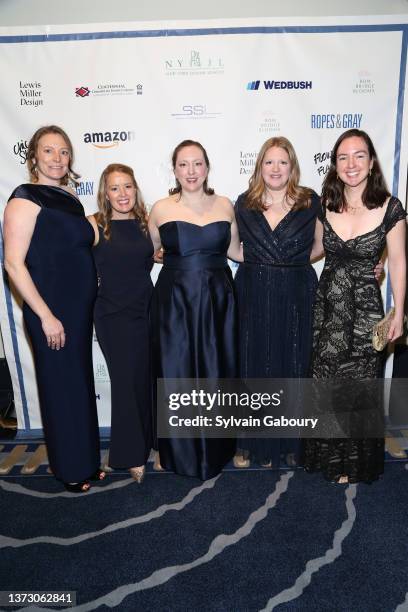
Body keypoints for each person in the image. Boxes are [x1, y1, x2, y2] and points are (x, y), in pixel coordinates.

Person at [302, 128, 406, 484]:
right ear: (334, 164)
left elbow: (399, 263)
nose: (351, 164)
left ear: (371, 161)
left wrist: (399, 312)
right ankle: (332, 460)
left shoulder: (391, 208)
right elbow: (317, 249)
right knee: (328, 383)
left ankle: (355, 463)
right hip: (328, 306)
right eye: (343, 157)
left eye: (359, 155)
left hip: (365, 309)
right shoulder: (325, 202)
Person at [4, 125, 104, 492]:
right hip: (49, 308)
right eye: (49, 151)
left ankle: (87, 461)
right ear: (34, 156)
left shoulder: (70, 198)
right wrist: (45, 315)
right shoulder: (24, 198)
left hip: (77, 308)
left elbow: (82, 244)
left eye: (64, 152)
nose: (57, 158)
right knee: (60, 386)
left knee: (77, 383)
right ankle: (71, 469)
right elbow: (14, 264)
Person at [149, 139, 242, 480]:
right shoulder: (159, 208)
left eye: (197, 163)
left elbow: (236, 252)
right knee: (176, 373)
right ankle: (177, 450)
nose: (191, 171)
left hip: (218, 299)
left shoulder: (226, 204)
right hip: (174, 300)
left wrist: (287, 259)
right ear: (174, 169)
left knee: (218, 372)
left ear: (207, 167)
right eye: (183, 164)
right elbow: (150, 251)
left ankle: (217, 448)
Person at [234, 136, 322, 469]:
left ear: (292, 167)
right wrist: (262, 260)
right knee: (254, 363)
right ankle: (253, 442)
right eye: (269, 162)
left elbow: (320, 245)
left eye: (282, 162)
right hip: (254, 290)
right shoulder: (244, 203)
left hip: (297, 290)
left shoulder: (309, 201)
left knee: (294, 363)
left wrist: (290, 261)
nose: (275, 168)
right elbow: (232, 247)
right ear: (260, 166)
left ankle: (290, 442)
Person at [88, 164, 153, 483]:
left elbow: (151, 257)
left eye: (128, 186)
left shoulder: (145, 223)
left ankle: (148, 440)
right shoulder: (94, 225)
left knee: (143, 380)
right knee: (126, 385)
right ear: (105, 193)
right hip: (113, 315)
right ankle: (129, 455)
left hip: (146, 309)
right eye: (115, 188)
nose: (122, 194)